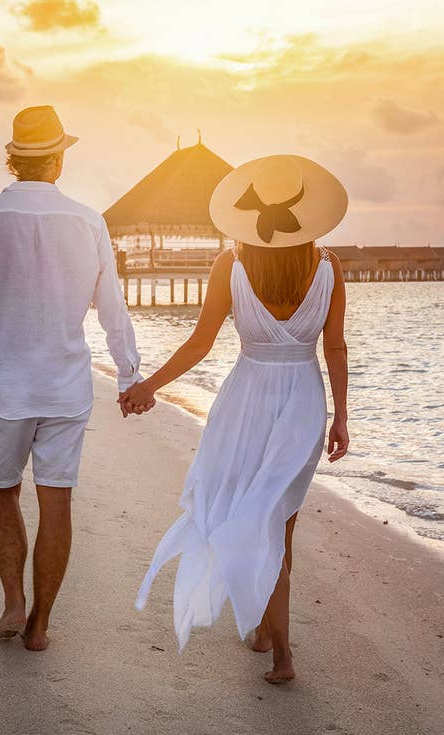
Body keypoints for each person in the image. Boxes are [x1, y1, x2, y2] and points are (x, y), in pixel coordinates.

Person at [122, 154, 350, 684]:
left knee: (258, 518)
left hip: (246, 400)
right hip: (303, 399)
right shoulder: (329, 265)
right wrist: (341, 416)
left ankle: (283, 653)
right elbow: (335, 347)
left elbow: (201, 343)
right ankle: (269, 633)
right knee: (279, 518)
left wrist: (146, 387)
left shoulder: (232, 264)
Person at [0, 105, 144, 651]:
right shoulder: (88, 220)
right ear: (59, 159)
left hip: (2, 384)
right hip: (66, 387)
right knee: (57, 502)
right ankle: (40, 624)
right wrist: (128, 375)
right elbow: (111, 309)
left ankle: (13, 603)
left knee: (3, 494)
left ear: (12, 158)